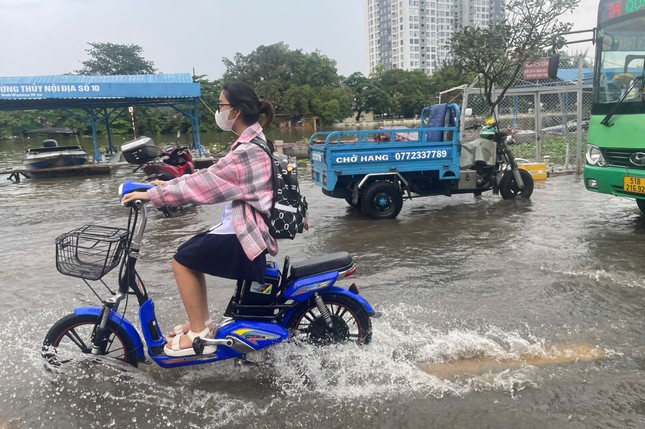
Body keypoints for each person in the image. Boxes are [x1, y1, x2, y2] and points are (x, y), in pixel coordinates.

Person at [121, 81, 277, 357]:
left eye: (221, 106)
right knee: (188, 253)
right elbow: (211, 176)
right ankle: (201, 323)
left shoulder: (247, 151)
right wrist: (163, 186)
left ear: (236, 111)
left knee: (182, 260)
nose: (218, 111)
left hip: (245, 232)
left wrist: (154, 195)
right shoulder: (252, 142)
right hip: (243, 223)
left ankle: (199, 333)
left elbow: (206, 184)